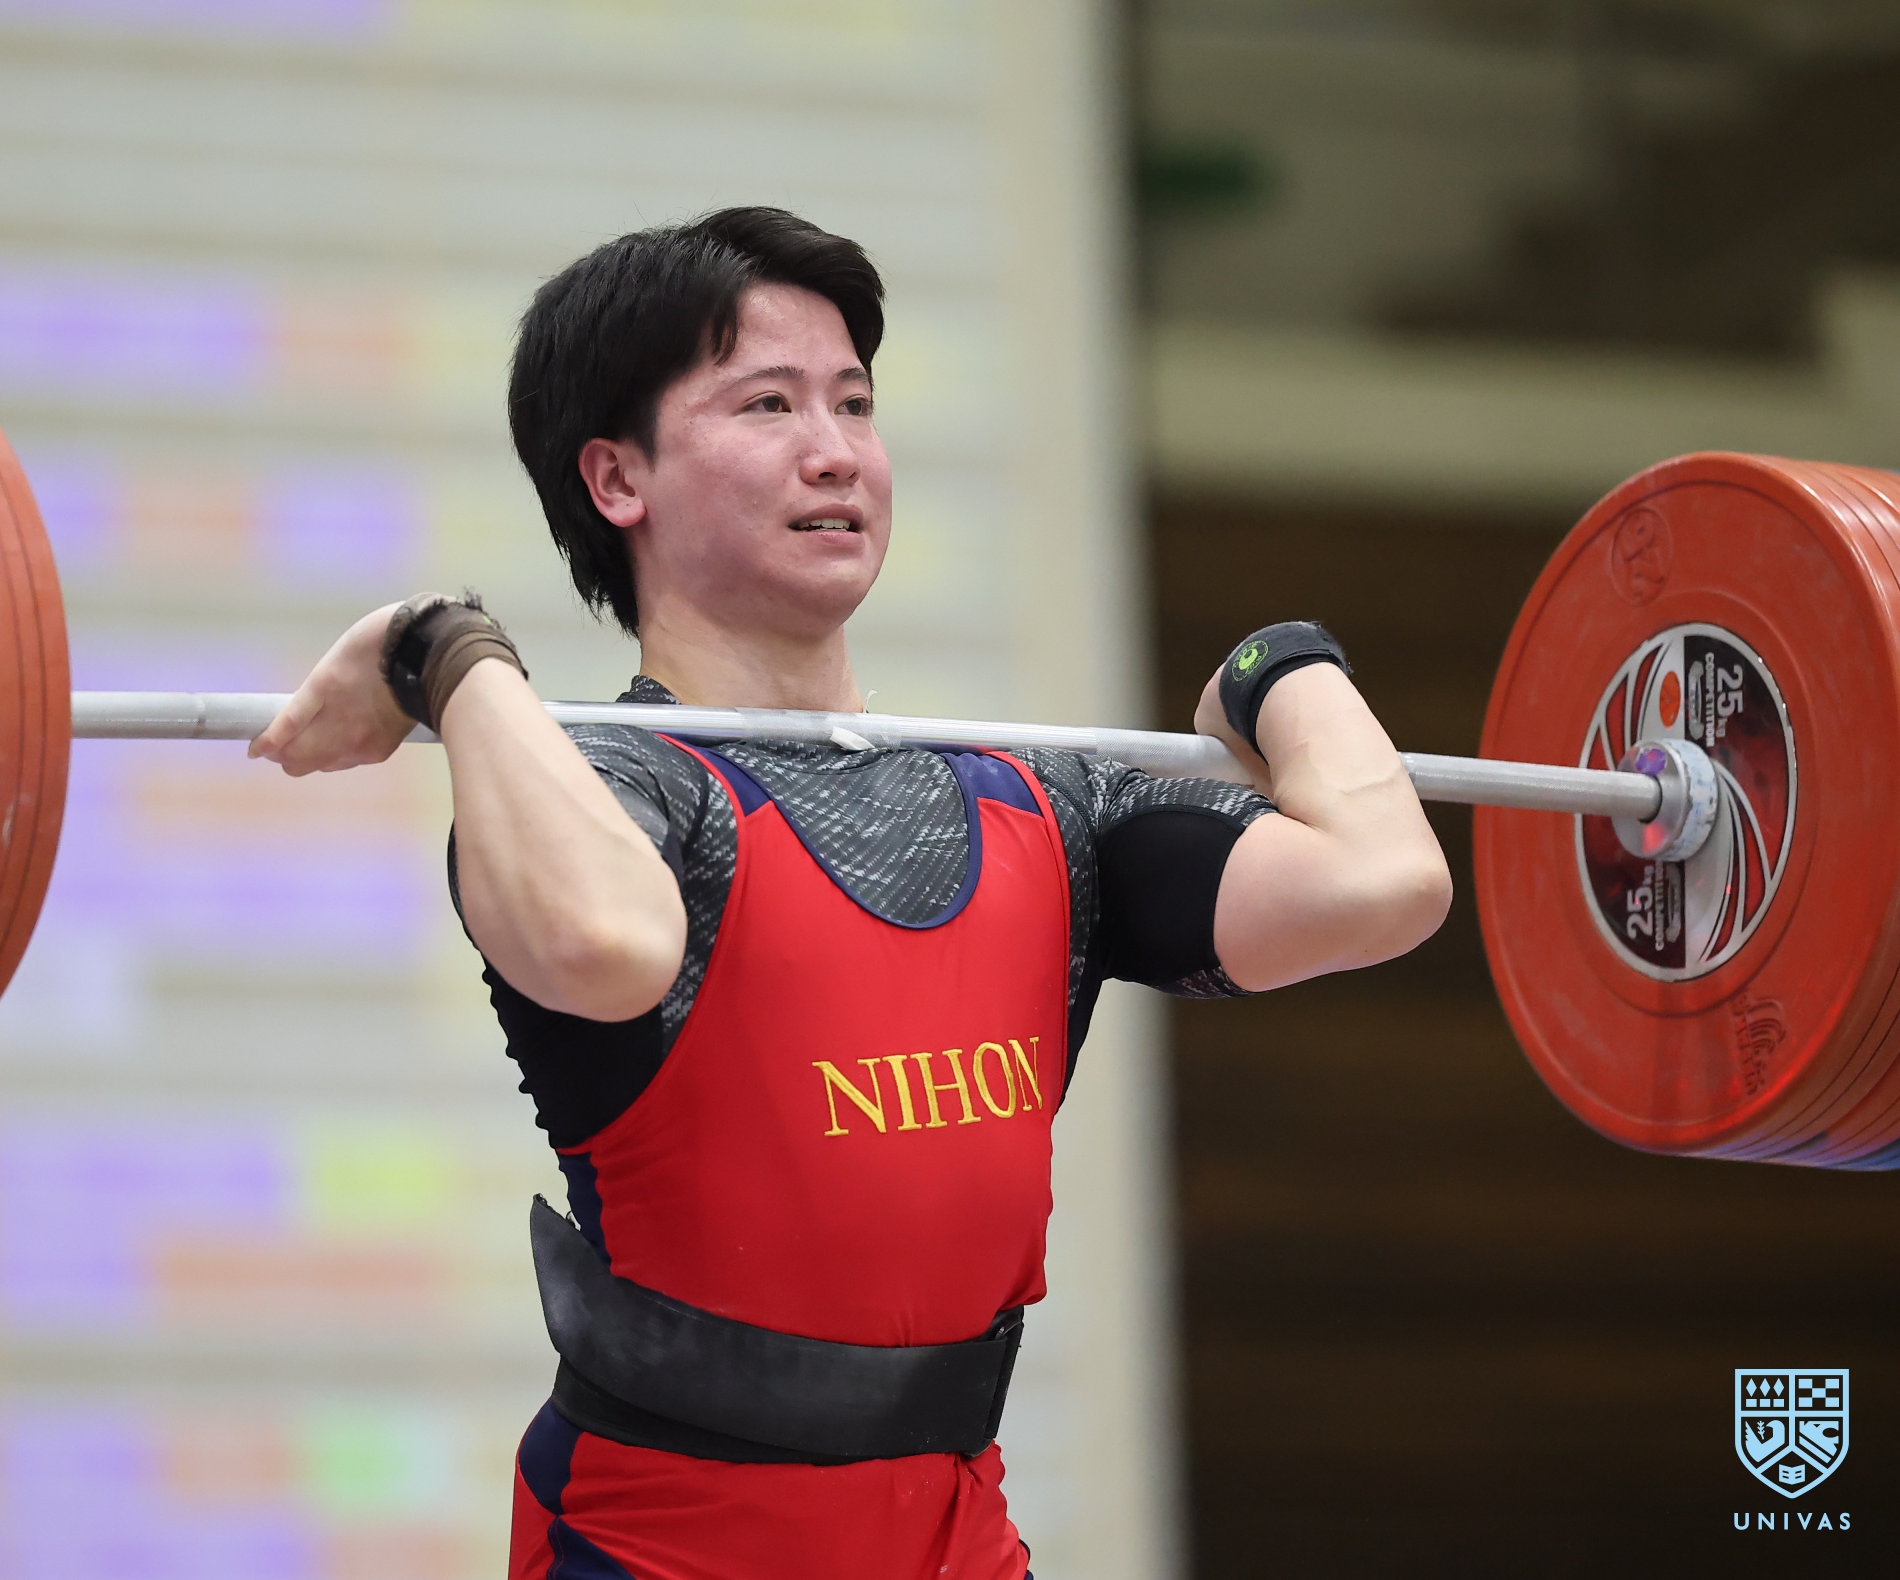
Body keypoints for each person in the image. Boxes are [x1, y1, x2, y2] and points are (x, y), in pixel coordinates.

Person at [250, 207, 1450, 1580]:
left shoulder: (1045, 806)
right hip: (659, 1550)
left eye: (855, 403)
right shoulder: (611, 794)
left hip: (956, 1543)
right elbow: (600, 941)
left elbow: (1385, 884)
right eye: (768, 404)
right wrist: (445, 652)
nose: (836, 451)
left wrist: (1280, 668)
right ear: (617, 477)